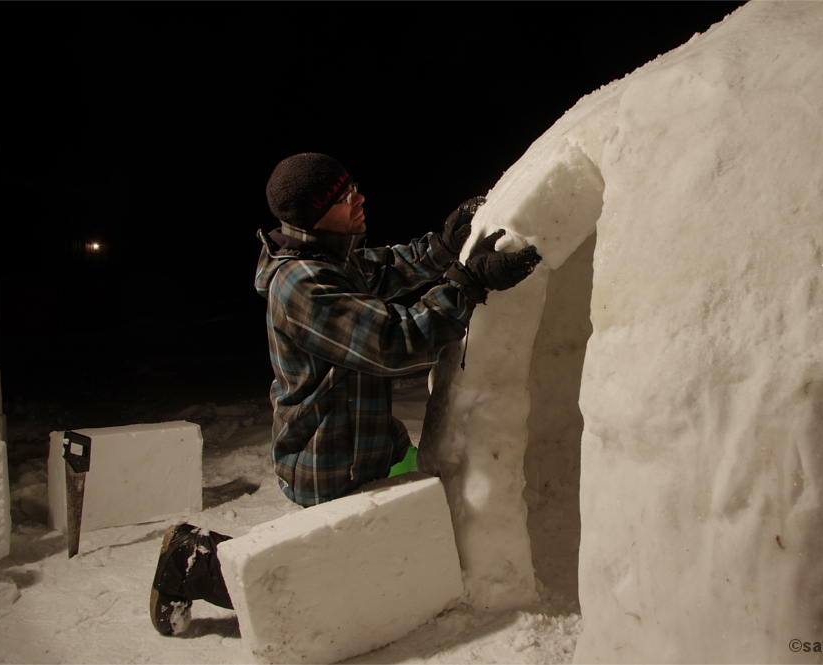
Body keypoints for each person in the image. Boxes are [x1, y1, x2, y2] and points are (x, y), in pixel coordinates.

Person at [149, 152, 541, 636]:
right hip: (329, 458)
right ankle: (194, 561)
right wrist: (467, 283)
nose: (359, 198)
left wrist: (443, 246)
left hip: (375, 443)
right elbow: (393, 343)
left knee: (424, 529)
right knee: (333, 580)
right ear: (315, 213)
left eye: (352, 186)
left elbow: (390, 268)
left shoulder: (330, 258)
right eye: (343, 196)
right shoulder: (302, 283)